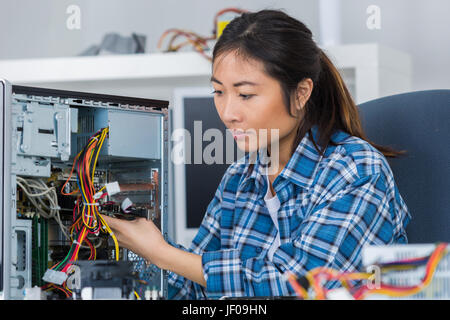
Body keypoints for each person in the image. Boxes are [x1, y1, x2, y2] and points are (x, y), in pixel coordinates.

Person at [101, 9, 411, 299]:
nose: (228, 113)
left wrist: (162, 253)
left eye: (246, 94)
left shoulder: (355, 171)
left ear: (302, 92)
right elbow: (193, 285)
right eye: (219, 92)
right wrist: (131, 254)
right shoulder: (240, 178)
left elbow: (303, 284)